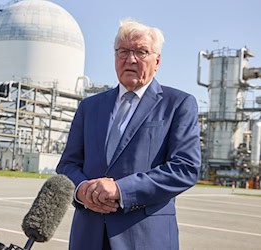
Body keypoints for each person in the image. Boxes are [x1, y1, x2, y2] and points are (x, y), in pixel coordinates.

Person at [56, 18, 201, 250]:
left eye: (141, 52)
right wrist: (82, 190)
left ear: (157, 61)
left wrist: (121, 190)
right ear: (115, 56)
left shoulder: (178, 104)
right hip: (88, 237)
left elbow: (185, 168)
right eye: (123, 51)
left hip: (145, 238)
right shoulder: (89, 107)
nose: (130, 59)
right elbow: (67, 165)